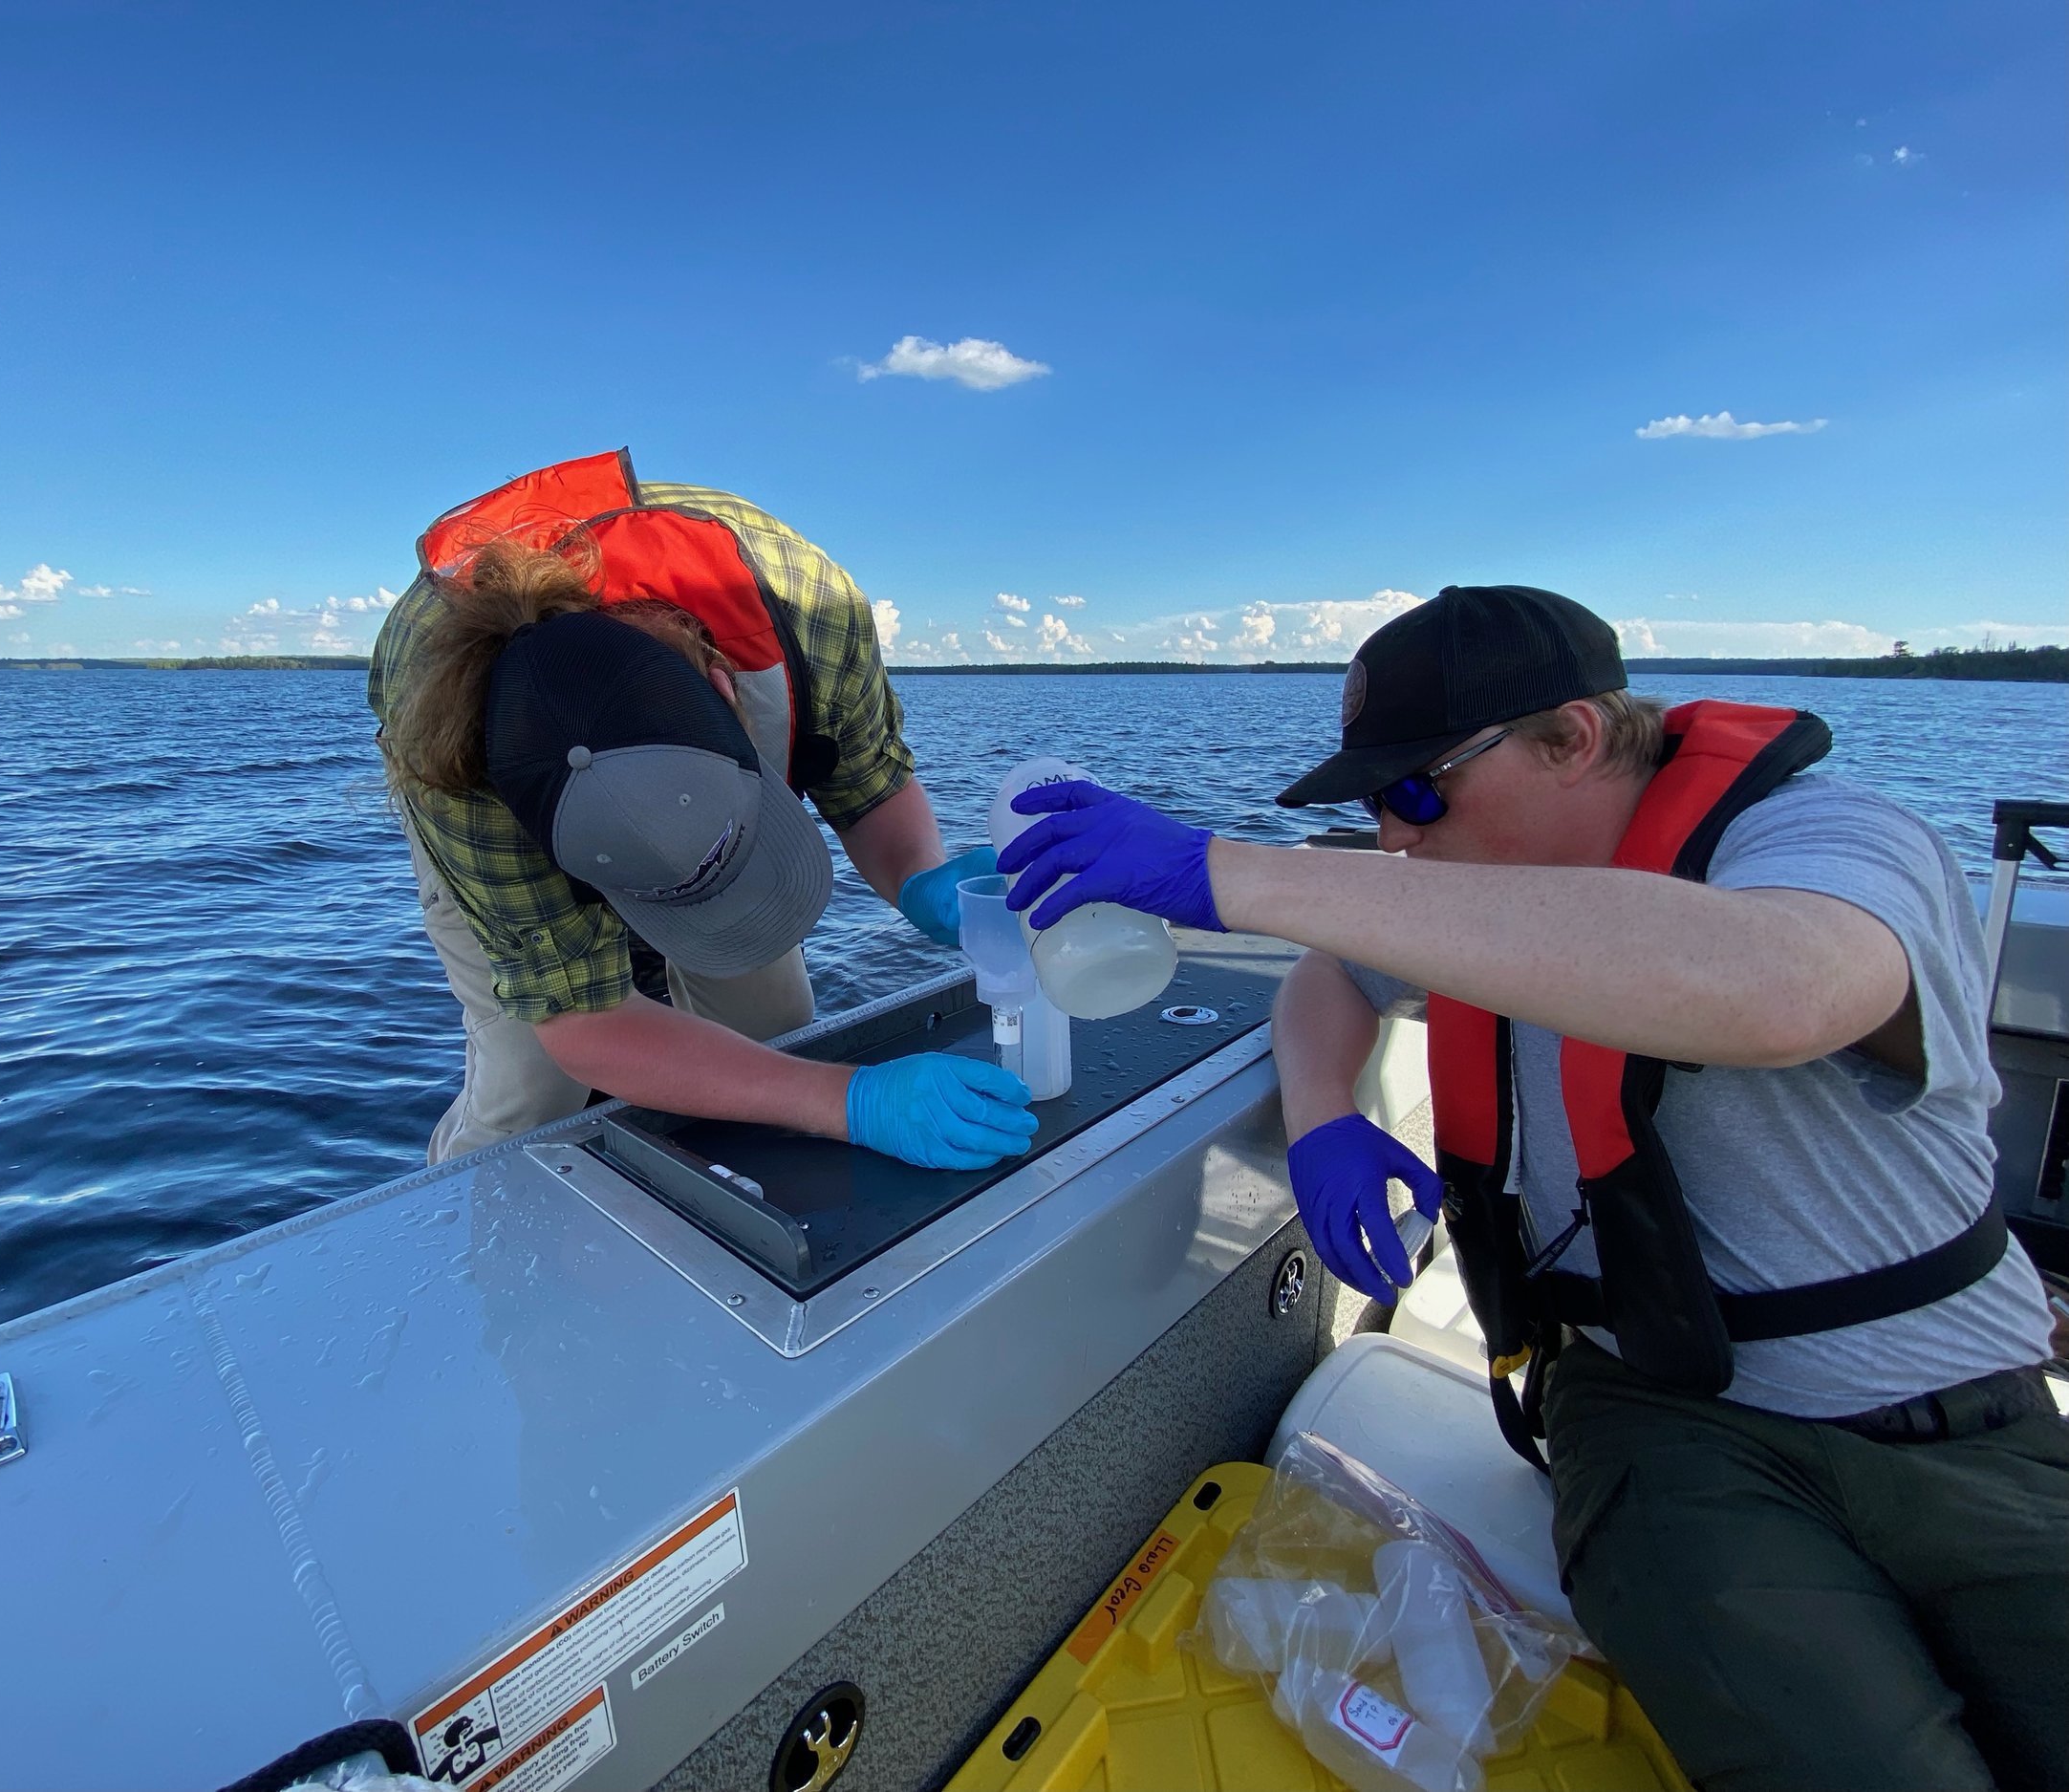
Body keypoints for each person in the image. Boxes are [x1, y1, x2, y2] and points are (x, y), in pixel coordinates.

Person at [995, 584, 2065, 1790]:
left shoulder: (1833, 840)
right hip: (1663, 1416)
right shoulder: (1466, 881)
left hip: (1968, 1413)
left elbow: (1780, 987)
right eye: (1370, 806)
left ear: (1573, 736)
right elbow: (1334, 971)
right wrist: (1324, 1118)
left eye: (1416, 792)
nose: (1395, 841)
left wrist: (1231, 872)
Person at [370, 449, 1028, 1172]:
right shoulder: (449, 755)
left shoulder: (810, 605)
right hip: (476, 786)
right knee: (531, 1089)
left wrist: (919, 879)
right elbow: (578, 1020)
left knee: (774, 1027)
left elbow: (865, 781)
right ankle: (466, 1225)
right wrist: (848, 1100)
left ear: (724, 691)